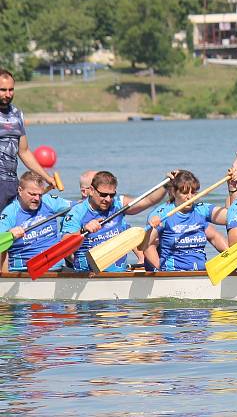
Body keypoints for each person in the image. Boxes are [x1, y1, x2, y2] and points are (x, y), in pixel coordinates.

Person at [143, 156, 237, 271]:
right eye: (185, 192)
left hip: (200, 273)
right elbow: (147, 246)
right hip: (172, 274)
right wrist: (160, 272)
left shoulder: (200, 210)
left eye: (193, 192)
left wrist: (232, 187)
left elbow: (233, 217)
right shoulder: (162, 214)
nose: (190, 197)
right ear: (173, 192)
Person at [62, 170, 174, 272]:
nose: (108, 199)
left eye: (112, 195)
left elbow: (148, 200)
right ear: (91, 190)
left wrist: (165, 184)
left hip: (118, 274)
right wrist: (83, 231)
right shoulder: (76, 213)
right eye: (103, 195)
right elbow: (64, 248)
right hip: (88, 274)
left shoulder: (118, 204)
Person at [0, 69, 57, 210]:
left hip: (11, 183)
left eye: (11, 90)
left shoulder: (16, 114)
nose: (8, 94)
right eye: (2, 90)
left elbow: (24, 152)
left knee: (12, 227)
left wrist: (46, 177)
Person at [0, 172, 71, 271]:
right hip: (24, 271)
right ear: (20, 190)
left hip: (56, 268)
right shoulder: (10, 213)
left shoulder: (49, 201)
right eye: (32, 194)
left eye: (40, 195)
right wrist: (9, 234)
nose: (37, 199)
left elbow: (79, 209)